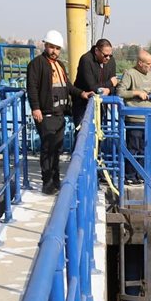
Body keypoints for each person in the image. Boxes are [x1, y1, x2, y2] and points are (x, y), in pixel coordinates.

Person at [27, 29, 92, 194]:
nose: (54, 51)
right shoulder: (37, 64)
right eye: (51, 47)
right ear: (45, 45)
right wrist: (36, 108)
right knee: (48, 149)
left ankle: (56, 181)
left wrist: (82, 94)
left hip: (60, 114)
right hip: (46, 113)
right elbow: (32, 88)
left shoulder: (60, 65)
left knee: (57, 149)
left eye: (57, 48)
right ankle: (47, 183)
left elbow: (67, 86)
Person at [118, 50, 151, 184]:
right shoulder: (130, 74)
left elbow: (150, 90)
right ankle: (130, 175)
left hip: (148, 118)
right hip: (134, 117)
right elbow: (120, 92)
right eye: (148, 64)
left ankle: (142, 175)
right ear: (140, 63)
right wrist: (136, 93)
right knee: (133, 147)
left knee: (145, 148)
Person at [72, 38, 117, 126]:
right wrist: (110, 83)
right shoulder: (86, 60)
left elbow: (115, 83)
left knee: (98, 130)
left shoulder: (111, 61)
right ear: (96, 51)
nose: (108, 58)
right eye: (105, 55)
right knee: (83, 130)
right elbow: (92, 87)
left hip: (100, 104)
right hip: (83, 104)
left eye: (110, 55)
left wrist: (109, 90)